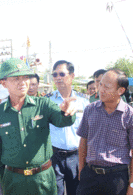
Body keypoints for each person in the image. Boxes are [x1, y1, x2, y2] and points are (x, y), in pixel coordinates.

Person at [0, 58, 77, 195]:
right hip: (13, 180)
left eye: (25, 77)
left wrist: (67, 112)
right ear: (3, 83)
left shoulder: (43, 104)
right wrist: (4, 177)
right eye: (16, 78)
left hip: (43, 179)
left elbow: (62, 121)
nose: (22, 82)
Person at [76, 68, 133, 195]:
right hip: (90, 176)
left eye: (107, 87)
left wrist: (132, 185)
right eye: (100, 84)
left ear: (120, 90)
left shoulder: (132, 116)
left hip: (116, 179)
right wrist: (81, 171)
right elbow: (83, 142)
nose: (101, 89)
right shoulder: (90, 110)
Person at [45, 60, 90, 195]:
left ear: (72, 76)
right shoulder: (47, 101)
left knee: (76, 191)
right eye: (55, 74)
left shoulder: (84, 102)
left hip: (76, 156)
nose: (58, 77)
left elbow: (88, 132)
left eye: (62, 74)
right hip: (53, 156)